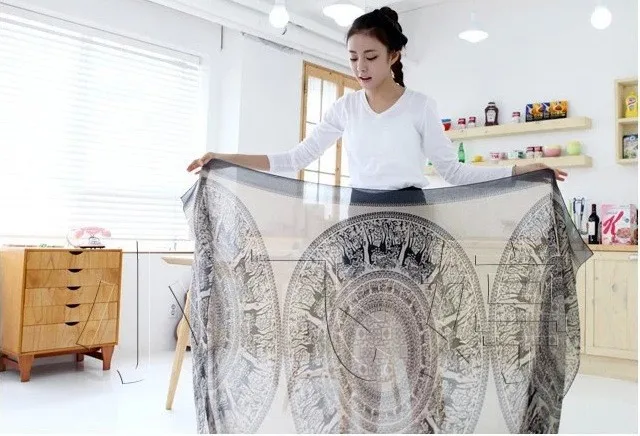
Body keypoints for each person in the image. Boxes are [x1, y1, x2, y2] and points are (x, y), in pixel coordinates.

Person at [187, 7, 567, 189]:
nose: (360, 67)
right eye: (353, 58)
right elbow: (295, 158)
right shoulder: (345, 108)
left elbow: (453, 171)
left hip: (411, 219)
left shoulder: (420, 106)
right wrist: (224, 158)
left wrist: (519, 170)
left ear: (393, 56)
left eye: (370, 57)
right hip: (360, 218)